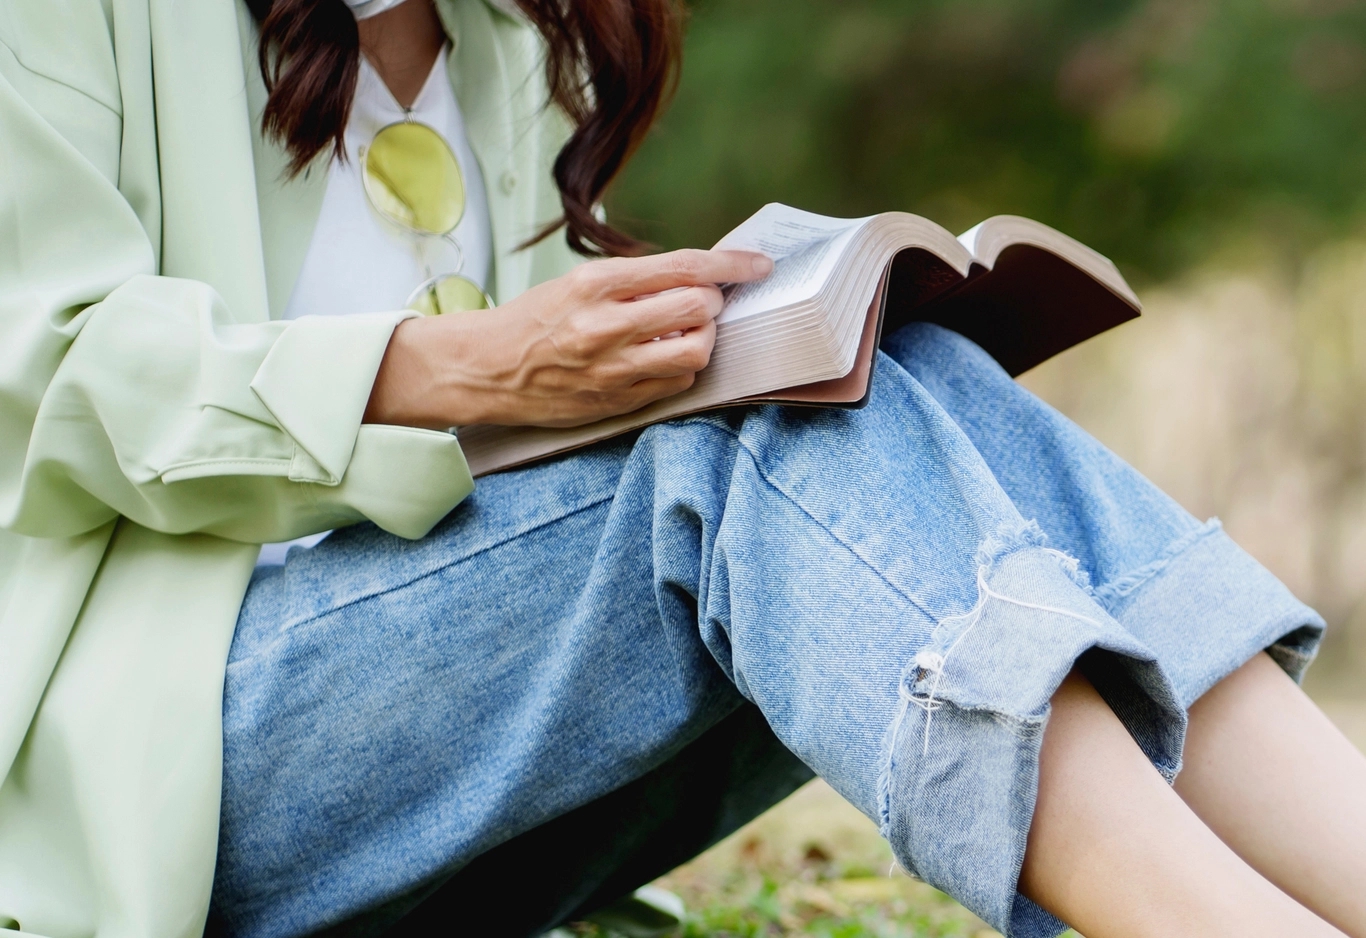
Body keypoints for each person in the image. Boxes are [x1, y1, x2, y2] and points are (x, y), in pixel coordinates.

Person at [1, 1, 1364, 936]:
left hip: (450, 780)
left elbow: (534, 492)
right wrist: (468, 366)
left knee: (870, 373)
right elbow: (48, 366)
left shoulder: (512, 37)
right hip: (157, 754)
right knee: (737, 443)